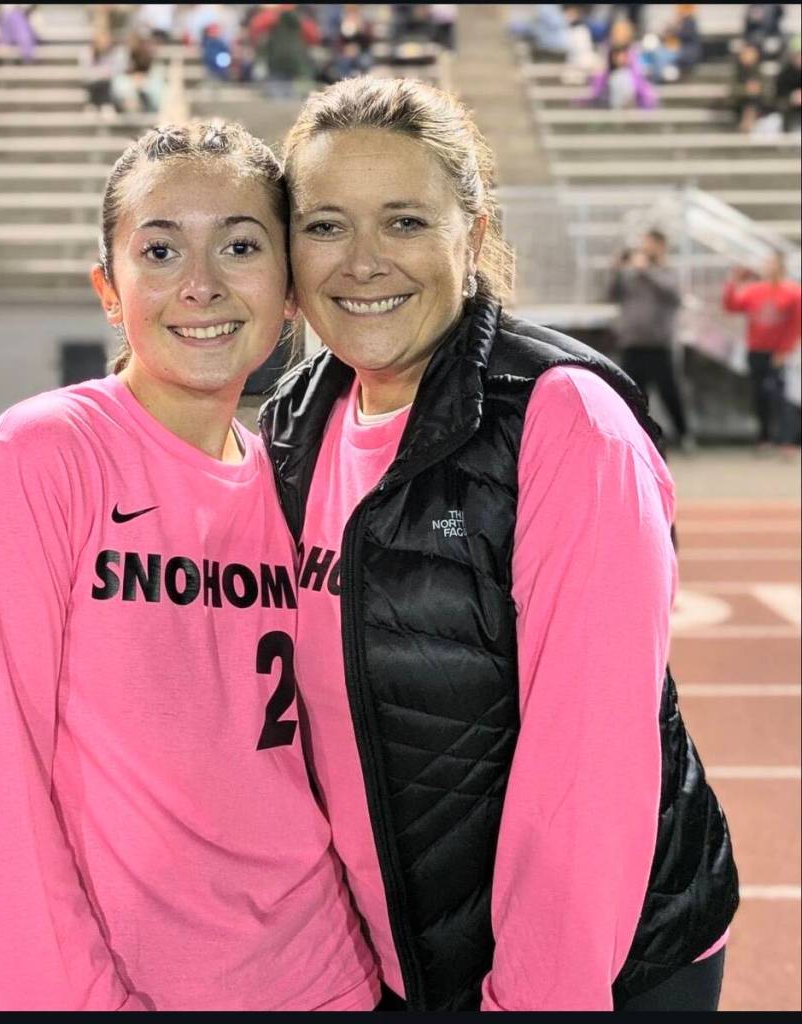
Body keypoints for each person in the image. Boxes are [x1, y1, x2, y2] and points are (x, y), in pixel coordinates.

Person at [260, 77, 738, 1011]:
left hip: (593, 969)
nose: (361, 262)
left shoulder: (561, 421)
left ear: (470, 237)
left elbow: (587, 772)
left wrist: (533, 998)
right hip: (396, 961)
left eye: (403, 222)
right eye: (324, 225)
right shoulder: (293, 421)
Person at [0, 121, 380, 1011]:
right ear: (110, 289)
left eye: (242, 245)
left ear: (290, 293)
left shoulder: (298, 483)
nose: (202, 284)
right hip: (135, 990)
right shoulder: (43, 456)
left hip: (329, 978)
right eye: (161, 249)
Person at [607, 230, 692, 449]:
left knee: (669, 392)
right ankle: (637, 438)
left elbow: (674, 294)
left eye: (650, 244)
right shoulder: (631, 274)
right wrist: (616, 270)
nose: (645, 248)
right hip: (632, 343)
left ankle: (684, 435)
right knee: (633, 393)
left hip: (659, 344)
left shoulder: (667, 272)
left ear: (661, 246)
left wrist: (647, 271)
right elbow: (611, 294)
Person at [723, 253, 802, 453]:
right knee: (760, 396)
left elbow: (796, 324)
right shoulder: (755, 290)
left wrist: (785, 350)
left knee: (781, 397)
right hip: (756, 350)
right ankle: (764, 437)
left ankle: (787, 440)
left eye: (772, 263)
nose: (768, 267)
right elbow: (732, 306)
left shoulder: (793, 292)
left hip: (778, 353)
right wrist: (733, 282)